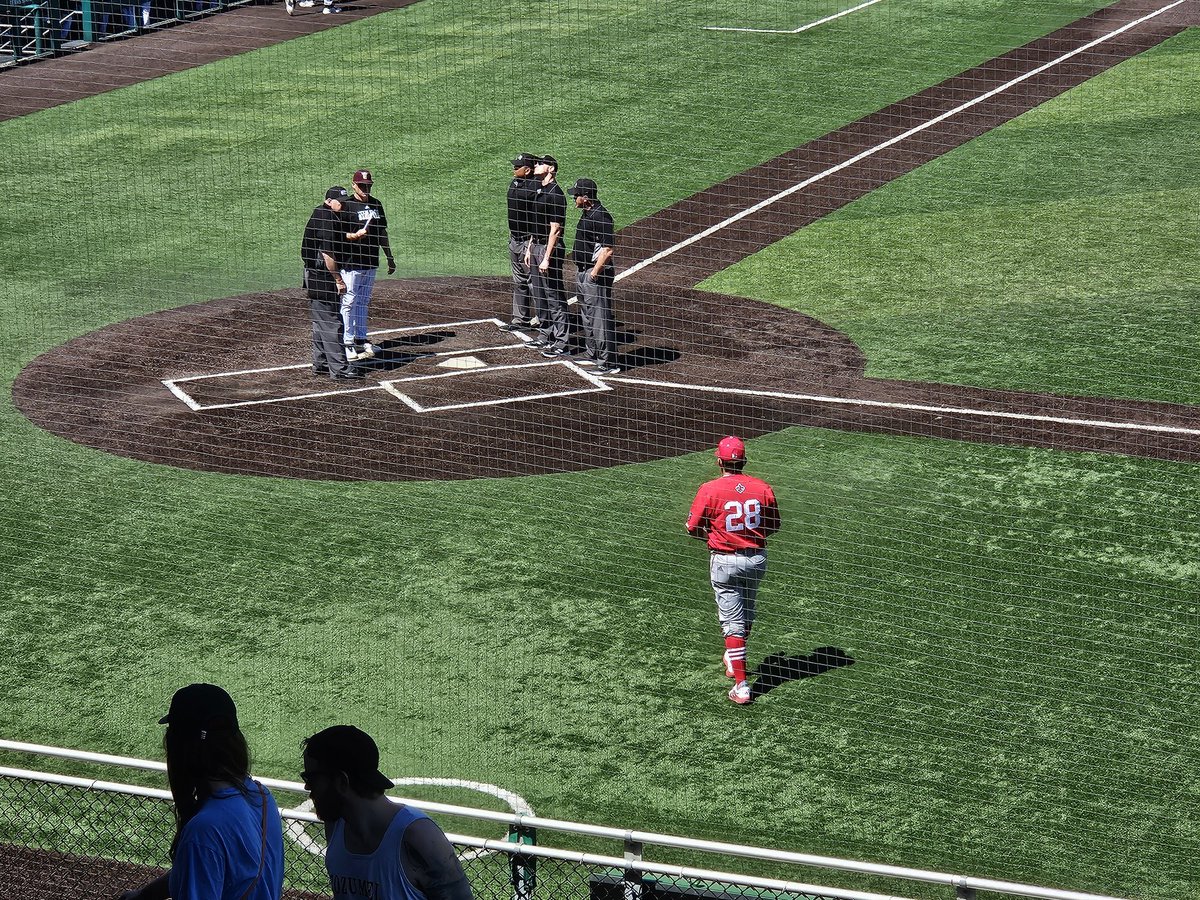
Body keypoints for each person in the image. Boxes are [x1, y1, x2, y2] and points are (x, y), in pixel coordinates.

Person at [119, 683, 285, 900]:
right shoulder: (262, 797)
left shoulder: (204, 831)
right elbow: (213, 869)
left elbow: (204, 856)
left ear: (180, 747)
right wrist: (145, 895)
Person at [301, 725, 474, 900]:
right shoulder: (336, 825)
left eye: (311, 778)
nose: (307, 787)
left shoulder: (420, 837)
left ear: (341, 781)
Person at [685, 436, 782, 705]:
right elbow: (774, 526)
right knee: (747, 609)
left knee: (732, 624)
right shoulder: (762, 487)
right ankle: (732, 656)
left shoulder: (709, 489)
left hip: (725, 562)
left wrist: (713, 535)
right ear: (745, 461)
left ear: (719, 460)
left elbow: (692, 528)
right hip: (756, 560)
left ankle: (741, 686)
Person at [302, 187, 363, 379]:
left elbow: (334, 238)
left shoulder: (323, 213)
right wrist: (338, 280)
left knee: (321, 322)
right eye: (340, 201)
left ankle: (321, 363)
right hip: (322, 276)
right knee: (332, 322)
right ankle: (340, 370)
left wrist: (352, 236)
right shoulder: (327, 219)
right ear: (329, 201)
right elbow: (328, 255)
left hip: (314, 275)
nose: (343, 204)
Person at [340, 169, 397, 363]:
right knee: (349, 301)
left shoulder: (376, 204)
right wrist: (353, 236)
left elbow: (382, 233)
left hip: (371, 261)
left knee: (362, 301)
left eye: (368, 185)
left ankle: (361, 338)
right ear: (353, 185)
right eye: (362, 185)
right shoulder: (346, 206)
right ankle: (347, 342)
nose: (366, 189)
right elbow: (337, 235)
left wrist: (389, 256)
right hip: (351, 263)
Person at [567, 178, 619, 374]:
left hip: (594, 274)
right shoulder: (587, 213)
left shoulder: (601, 217)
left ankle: (609, 362)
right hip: (583, 271)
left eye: (576, 195)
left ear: (586, 197)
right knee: (587, 316)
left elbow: (607, 249)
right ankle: (593, 354)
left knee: (599, 318)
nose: (574, 198)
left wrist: (594, 273)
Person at [528, 155, 569, 353]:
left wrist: (546, 257)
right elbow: (535, 223)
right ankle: (545, 334)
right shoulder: (539, 189)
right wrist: (530, 247)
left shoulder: (556, 194)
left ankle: (561, 341)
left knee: (553, 295)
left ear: (551, 168)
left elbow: (555, 229)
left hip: (548, 248)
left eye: (540, 163)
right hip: (536, 245)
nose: (536, 166)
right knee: (539, 293)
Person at [499, 153, 541, 333]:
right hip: (514, 239)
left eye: (517, 167)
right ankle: (520, 319)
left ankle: (543, 319)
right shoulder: (515, 183)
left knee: (534, 283)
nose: (514, 169)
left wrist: (532, 243)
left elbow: (539, 219)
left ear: (528, 169)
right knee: (519, 281)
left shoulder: (536, 188)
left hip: (528, 241)